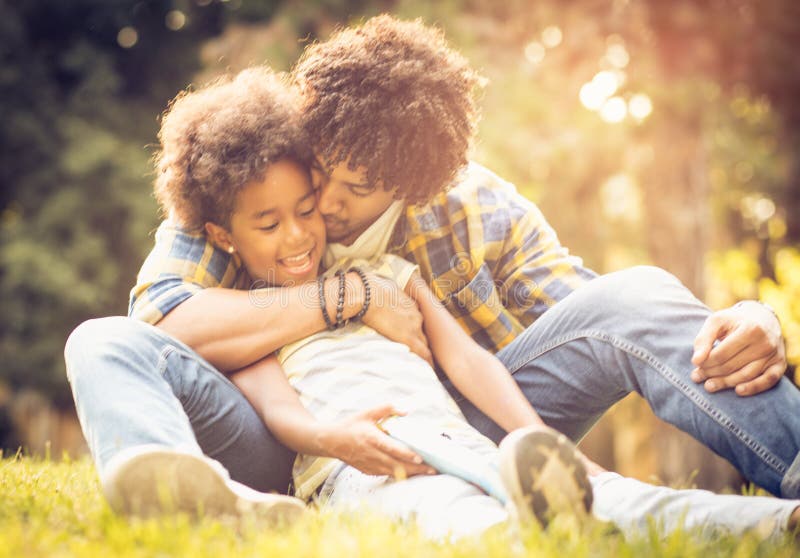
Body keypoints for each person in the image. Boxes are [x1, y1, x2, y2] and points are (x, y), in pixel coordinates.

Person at [64, 14, 800, 531]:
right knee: (100, 339)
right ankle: (173, 486)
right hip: (286, 434)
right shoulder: (257, 178)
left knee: (640, 292)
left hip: (448, 418)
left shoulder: (473, 207)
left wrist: (754, 320)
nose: (324, 202)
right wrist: (348, 297)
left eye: (357, 190)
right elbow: (161, 322)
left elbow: (598, 319)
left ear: (409, 187)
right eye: (323, 172)